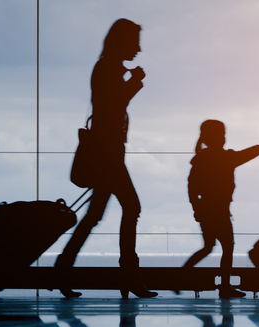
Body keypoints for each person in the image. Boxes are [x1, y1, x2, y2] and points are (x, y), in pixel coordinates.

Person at [56, 19, 156, 299]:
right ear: (122, 42)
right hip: (108, 154)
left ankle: (63, 269)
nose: (138, 48)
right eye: (135, 42)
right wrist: (135, 82)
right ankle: (129, 277)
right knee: (132, 207)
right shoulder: (109, 68)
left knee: (93, 216)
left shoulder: (107, 67)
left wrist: (131, 81)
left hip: (106, 153)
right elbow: (112, 106)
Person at [180, 120, 259, 298]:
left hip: (206, 209)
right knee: (227, 247)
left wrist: (197, 209)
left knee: (209, 247)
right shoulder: (224, 158)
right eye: (222, 134)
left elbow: (191, 188)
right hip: (218, 210)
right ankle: (224, 286)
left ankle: (182, 275)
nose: (223, 138)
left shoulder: (201, 159)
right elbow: (245, 155)